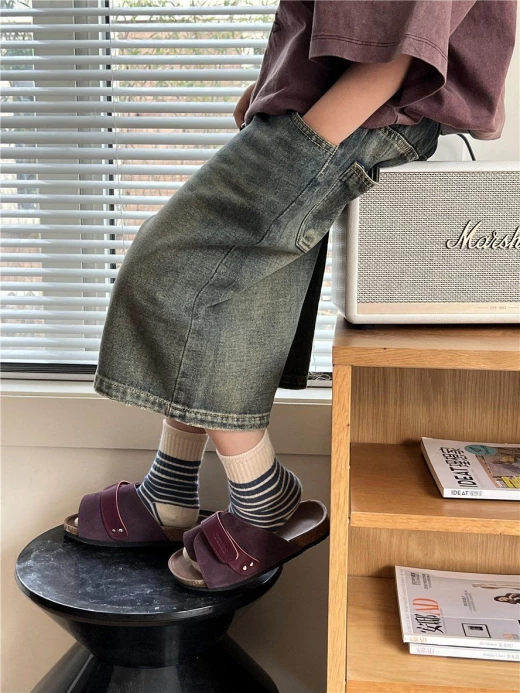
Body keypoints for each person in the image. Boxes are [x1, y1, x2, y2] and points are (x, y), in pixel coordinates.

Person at [64, 0, 517, 591]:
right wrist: (273, 86)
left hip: (358, 112)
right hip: (332, 106)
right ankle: (169, 491)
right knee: (224, 296)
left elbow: (393, 54)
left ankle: (264, 496)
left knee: (167, 276)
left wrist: (305, 140)